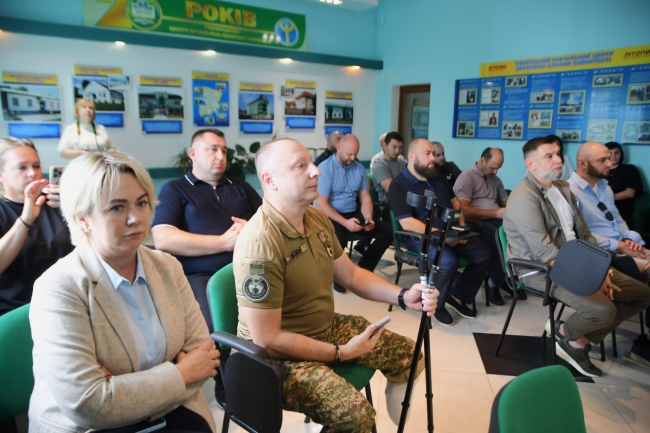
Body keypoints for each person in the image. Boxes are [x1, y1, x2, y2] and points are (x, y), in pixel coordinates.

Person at [233, 138, 438, 431]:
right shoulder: (260, 243)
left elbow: (351, 276)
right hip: (273, 358)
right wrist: (342, 352)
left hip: (322, 328)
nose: (315, 171)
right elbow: (268, 339)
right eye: (300, 166)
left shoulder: (315, 217)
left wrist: (404, 295)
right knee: (356, 418)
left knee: (410, 355)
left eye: (311, 163)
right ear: (270, 180)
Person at [29, 151, 220, 432]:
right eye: (117, 208)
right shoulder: (59, 287)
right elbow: (88, 404)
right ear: (83, 219)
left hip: (174, 415)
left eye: (141, 203)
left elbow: (203, 360)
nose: (135, 218)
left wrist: (118, 388)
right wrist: (180, 374)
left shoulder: (167, 266)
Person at [503, 136, 650, 377]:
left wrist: (601, 268)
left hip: (578, 263)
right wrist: (593, 275)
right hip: (542, 269)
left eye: (558, 154)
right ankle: (573, 338)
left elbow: (585, 234)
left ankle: (571, 336)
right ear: (531, 164)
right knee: (603, 310)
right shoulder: (524, 197)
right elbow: (546, 253)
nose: (558, 160)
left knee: (641, 295)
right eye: (548, 156)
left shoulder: (562, 188)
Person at [152, 129, 260, 409]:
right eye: (212, 149)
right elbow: (163, 238)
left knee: (273, 313)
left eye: (223, 150)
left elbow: (268, 223)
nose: (220, 156)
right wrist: (223, 242)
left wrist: (252, 229)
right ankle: (227, 380)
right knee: (215, 324)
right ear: (193, 154)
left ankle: (265, 372)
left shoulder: (241, 187)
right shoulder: (176, 189)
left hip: (249, 268)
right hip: (202, 275)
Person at [388, 139, 492, 326]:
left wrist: (461, 227)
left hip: (450, 232)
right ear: (412, 156)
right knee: (448, 263)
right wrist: (445, 237)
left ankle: (458, 296)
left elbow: (455, 201)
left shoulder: (437, 176)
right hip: (421, 238)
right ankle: (439, 304)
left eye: (433, 154)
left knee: (485, 255)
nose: (432, 158)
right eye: (427, 154)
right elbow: (407, 223)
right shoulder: (399, 185)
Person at [0, 137, 73, 316]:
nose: (33, 173)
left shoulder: (56, 203)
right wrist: (26, 219)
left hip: (66, 304)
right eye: (21, 167)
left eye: (36, 166)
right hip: (17, 312)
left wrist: (75, 208)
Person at [315, 134, 393, 292]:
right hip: (330, 214)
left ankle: (363, 269)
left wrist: (368, 218)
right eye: (349, 154)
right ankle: (339, 277)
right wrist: (345, 223)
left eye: (355, 154)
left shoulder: (358, 168)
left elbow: (365, 197)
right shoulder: (325, 168)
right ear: (338, 148)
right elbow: (321, 204)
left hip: (352, 211)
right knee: (338, 240)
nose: (353, 158)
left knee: (386, 233)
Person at [453, 147, 509, 306]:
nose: (495, 171)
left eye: (498, 168)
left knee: (514, 234)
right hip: (474, 223)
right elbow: (463, 211)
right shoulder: (467, 178)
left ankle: (506, 279)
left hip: (493, 220)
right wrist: (495, 213)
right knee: (497, 238)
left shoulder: (495, 179)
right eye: (493, 167)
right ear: (482, 160)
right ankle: (495, 285)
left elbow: (506, 202)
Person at [605, 141, 644, 230]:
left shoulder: (629, 169)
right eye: (610, 153)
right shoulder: (600, 172)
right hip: (602, 209)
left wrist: (609, 197)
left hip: (623, 209)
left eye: (617, 153)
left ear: (621, 154)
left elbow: (630, 193)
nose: (614, 156)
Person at [370, 131, 406, 208]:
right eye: (394, 147)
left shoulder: (403, 162)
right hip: (389, 207)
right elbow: (394, 191)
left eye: (400, 148)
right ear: (385, 145)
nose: (397, 151)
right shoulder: (379, 166)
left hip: (405, 202)